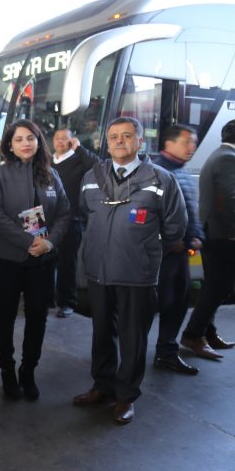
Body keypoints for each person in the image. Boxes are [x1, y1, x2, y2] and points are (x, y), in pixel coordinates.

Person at [74, 116, 186, 424]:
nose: (119, 141)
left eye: (126, 136)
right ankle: (103, 385)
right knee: (101, 333)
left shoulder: (161, 179)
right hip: (99, 271)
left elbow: (176, 227)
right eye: (113, 137)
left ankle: (125, 396)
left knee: (133, 338)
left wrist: (145, 252)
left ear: (140, 142)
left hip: (138, 274)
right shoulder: (92, 176)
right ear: (106, 143)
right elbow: (86, 215)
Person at [0, 120, 70, 400]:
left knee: (37, 315)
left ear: (38, 142)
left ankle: (28, 370)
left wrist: (48, 242)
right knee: (5, 314)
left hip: (43, 259)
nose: (26, 143)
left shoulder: (50, 175)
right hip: (7, 258)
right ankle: (7, 371)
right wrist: (27, 242)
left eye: (31, 138)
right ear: (10, 144)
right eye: (19, 139)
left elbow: (64, 214)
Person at [181, 119, 235, 360]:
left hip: (215, 232)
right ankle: (193, 334)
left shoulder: (220, 154)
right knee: (219, 286)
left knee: (214, 284)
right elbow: (233, 198)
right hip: (223, 233)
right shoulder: (227, 158)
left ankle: (207, 332)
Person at [152, 125, 203, 374]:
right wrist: (169, 241)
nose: (191, 147)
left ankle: (166, 352)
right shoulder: (158, 172)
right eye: (186, 142)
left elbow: (192, 211)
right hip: (163, 256)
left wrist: (197, 235)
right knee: (156, 304)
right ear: (169, 144)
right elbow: (149, 215)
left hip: (181, 254)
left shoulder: (181, 171)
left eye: (193, 142)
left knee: (177, 303)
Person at [52, 128, 99, 317]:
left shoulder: (78, 160)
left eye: (65, 138)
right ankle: (47, 298)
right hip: (47, 220)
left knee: (67, 264)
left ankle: (67, 302)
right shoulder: (48, 161)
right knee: (43, 262)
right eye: (57, 138)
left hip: (71, 220)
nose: (60, 141)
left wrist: (79, 149)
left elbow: (98, 166)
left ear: (73, 141)